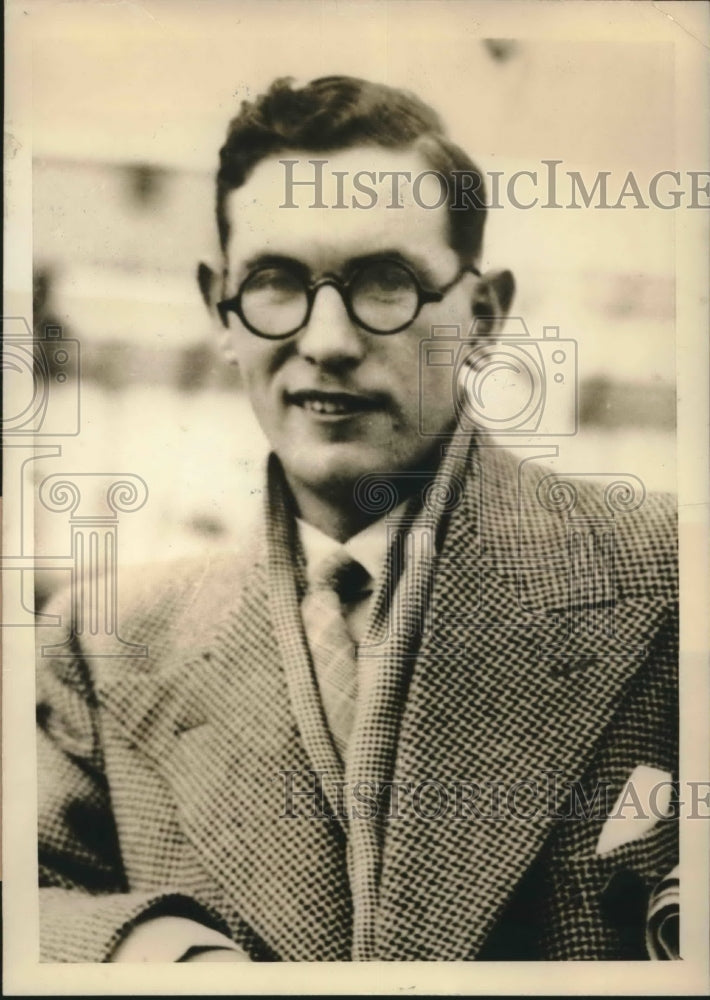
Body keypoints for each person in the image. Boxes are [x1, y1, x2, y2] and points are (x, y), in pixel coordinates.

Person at [37, 75, 678, 962]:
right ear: (220, 309)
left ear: (482, 315)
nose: (329, 342)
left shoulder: (672, 575)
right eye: (276, 282)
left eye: (385, 283)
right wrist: (147, 949)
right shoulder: (104, 640)